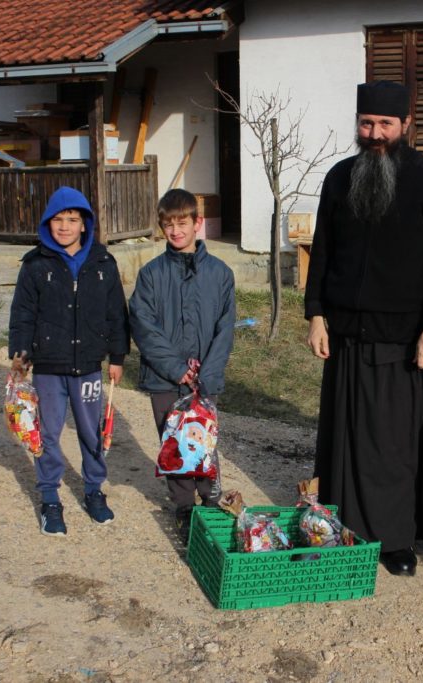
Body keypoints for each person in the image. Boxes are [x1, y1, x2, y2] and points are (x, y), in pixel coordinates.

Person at [305, 81, 423, 577]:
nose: (375, 134)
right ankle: (344, 527)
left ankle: (396, 541)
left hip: (404, 342)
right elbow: (323, 251)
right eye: (367, 124)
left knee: (395, 450)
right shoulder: (339, 177)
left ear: (406, 125)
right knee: (346, 439)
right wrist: (315, 314)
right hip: (348, 336)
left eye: (385, 125)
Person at [8, 185, 129, 537]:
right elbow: (22, 313)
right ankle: (49, 498)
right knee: (46, 434)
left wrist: (117, 357)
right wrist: (20, 352)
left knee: (93, 434)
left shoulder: (103, 263)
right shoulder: (35, 264)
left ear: (84, 224)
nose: (64, 226)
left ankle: (94, 490)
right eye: (58, 219)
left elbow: (116, 315)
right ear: (48, 223)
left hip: (89, 367)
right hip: (48, 367)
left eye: (72, 219)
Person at [129, 188, 236, 544]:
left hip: (204, 379)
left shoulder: (220, 274)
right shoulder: (150, 275)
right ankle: (183, 506)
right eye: (168, 225)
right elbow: (144, 326)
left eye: (182, 223)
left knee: (202, 439)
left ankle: (209, 498)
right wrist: (175, 368)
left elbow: (225, 328)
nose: (175, 231)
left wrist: (207, 373)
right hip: (165, 377)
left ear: (197, 223)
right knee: (173, 439)